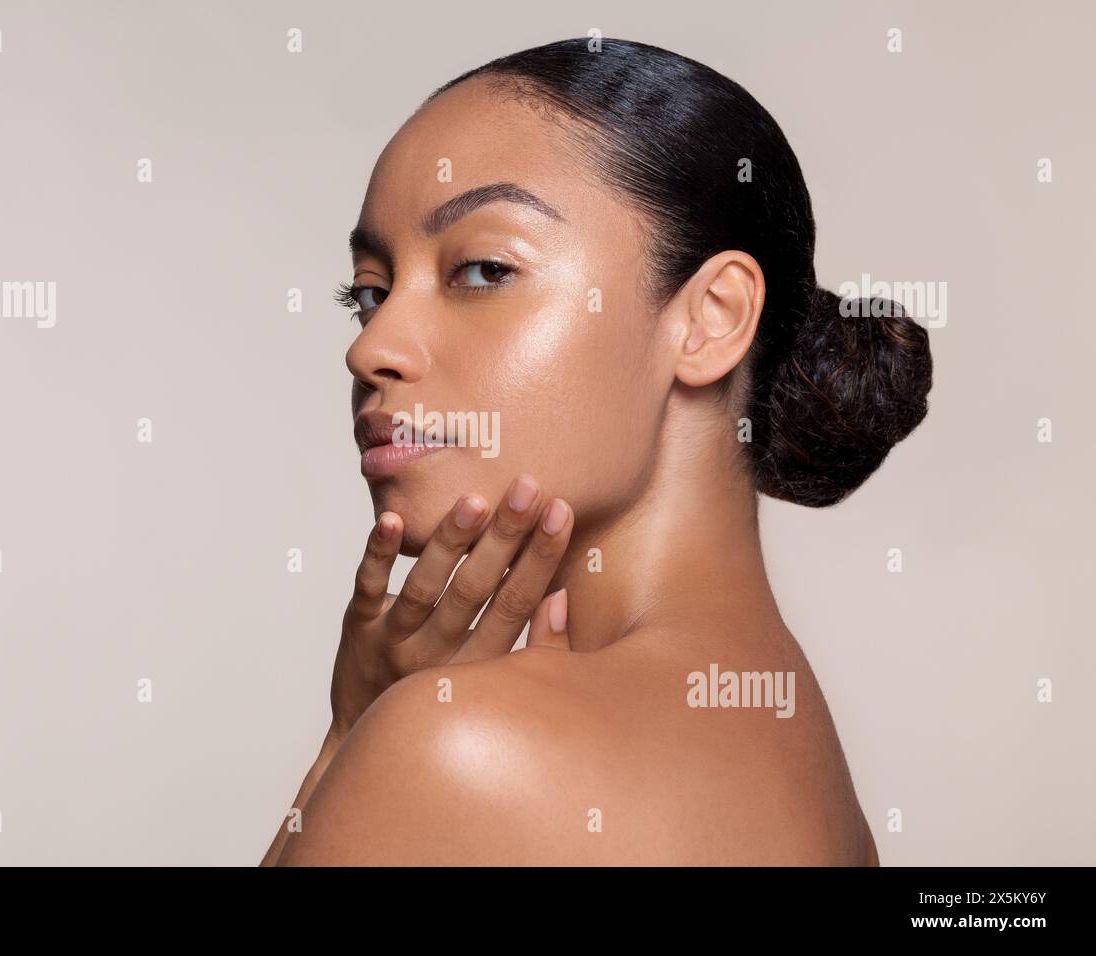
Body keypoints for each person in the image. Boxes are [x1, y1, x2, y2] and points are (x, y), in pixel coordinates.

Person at [262, 36, 932, 866]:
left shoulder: (457, 750)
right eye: (370, 292)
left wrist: (347, 746)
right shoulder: (803, 758)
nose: (372, 350)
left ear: (711, 317)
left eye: (481, 270)